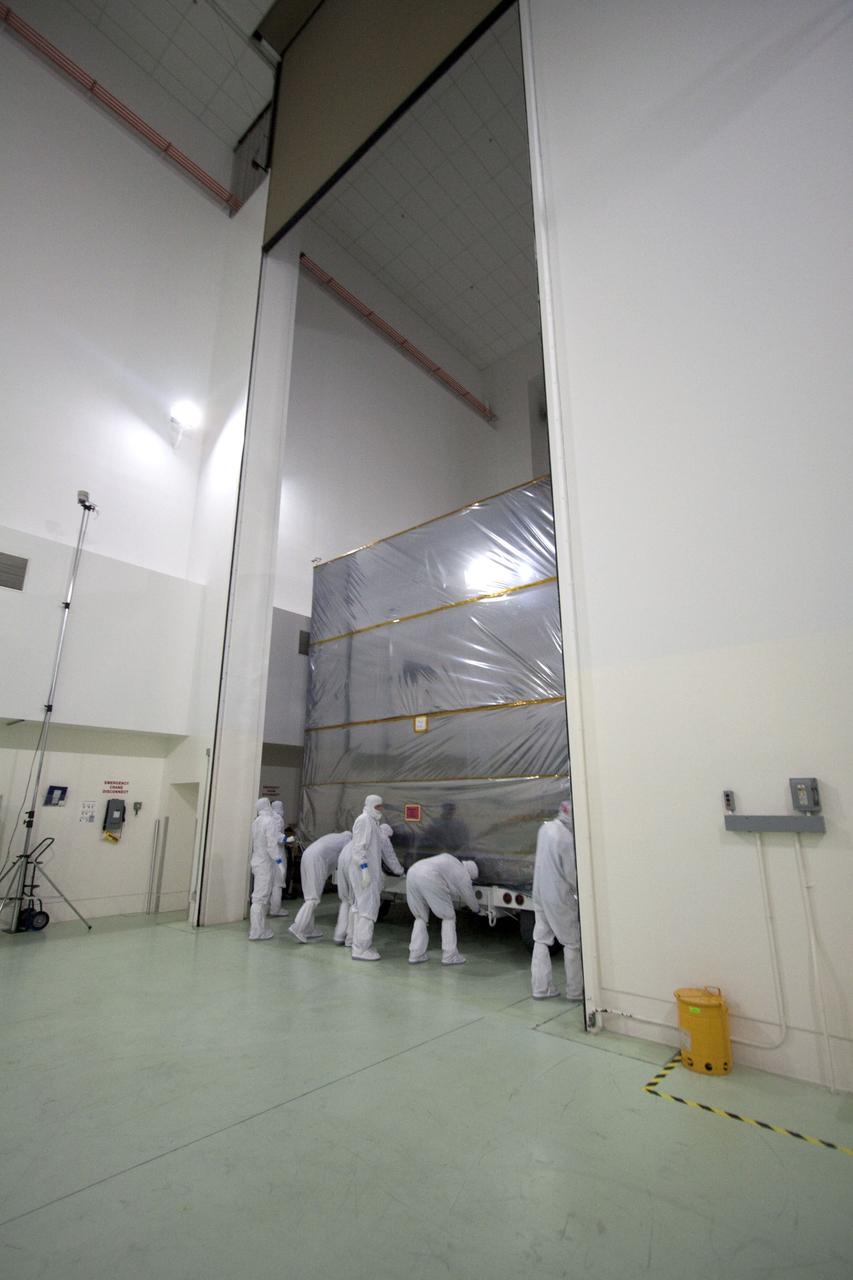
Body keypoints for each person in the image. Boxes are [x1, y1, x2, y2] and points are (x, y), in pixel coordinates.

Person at [530, 800, 583, 1000]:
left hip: (539, 892)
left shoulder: (545, 829)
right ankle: (575, 991)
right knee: (572, 943)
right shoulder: (566, 838)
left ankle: (541, 989)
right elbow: (571, 873)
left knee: (541, 939)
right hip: (558, 897)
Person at [350, 798, 405, 961]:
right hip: (364, 874)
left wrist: (399, 871)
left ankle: (359, 945)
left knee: (363, 909)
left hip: (368, 873)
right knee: (368, 910)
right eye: (377, 806)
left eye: (381, 806)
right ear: (369, 805)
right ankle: (361, 949)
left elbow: (387, 854)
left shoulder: (373, 823)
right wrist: (365, 870)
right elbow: (358, 849)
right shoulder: (364, 820)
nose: (380, 809)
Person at [406, 854, 481, 965]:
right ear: (470, 873)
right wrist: (477, 910)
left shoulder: (451, 860)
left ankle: (416, 954)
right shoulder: (463, 874)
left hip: (412, 873)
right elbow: (469, 896)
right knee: (448, 917)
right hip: (429, 876)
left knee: (420, 917)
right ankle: (449, 956)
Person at [335, 823, 401, 947]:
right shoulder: (383, 837)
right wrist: (400, 871)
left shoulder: (366, 834)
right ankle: (357, 942)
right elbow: (390, 858)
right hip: (357, 865)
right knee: (363, 906)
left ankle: (346, 937)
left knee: (351, 902)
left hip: (344, 860)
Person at [289, 830, 350, 943]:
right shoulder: (347, 841)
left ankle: (309, 930)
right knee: (313, 898)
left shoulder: (335, 837)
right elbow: (345, 861)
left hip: (306, 856)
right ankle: (298, 928)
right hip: (317, 860)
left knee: (309, 897)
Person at [248, 797, 284, 941]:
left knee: (259, 898)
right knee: (260, 899)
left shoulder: (256, 822)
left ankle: (259, 928)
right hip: (265, 864)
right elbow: (271, 844)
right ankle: (256, 932)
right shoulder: (269, 821)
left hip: (257, 861)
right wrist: (279, 861)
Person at [268, 800, 289, 918]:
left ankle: (267, 907)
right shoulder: (278, 819)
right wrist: (288, 839)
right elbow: (278, 837)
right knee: (278, 882)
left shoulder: (267, 819)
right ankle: (275, 909)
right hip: (278, 854)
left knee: (269, 882)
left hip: (269, 855)